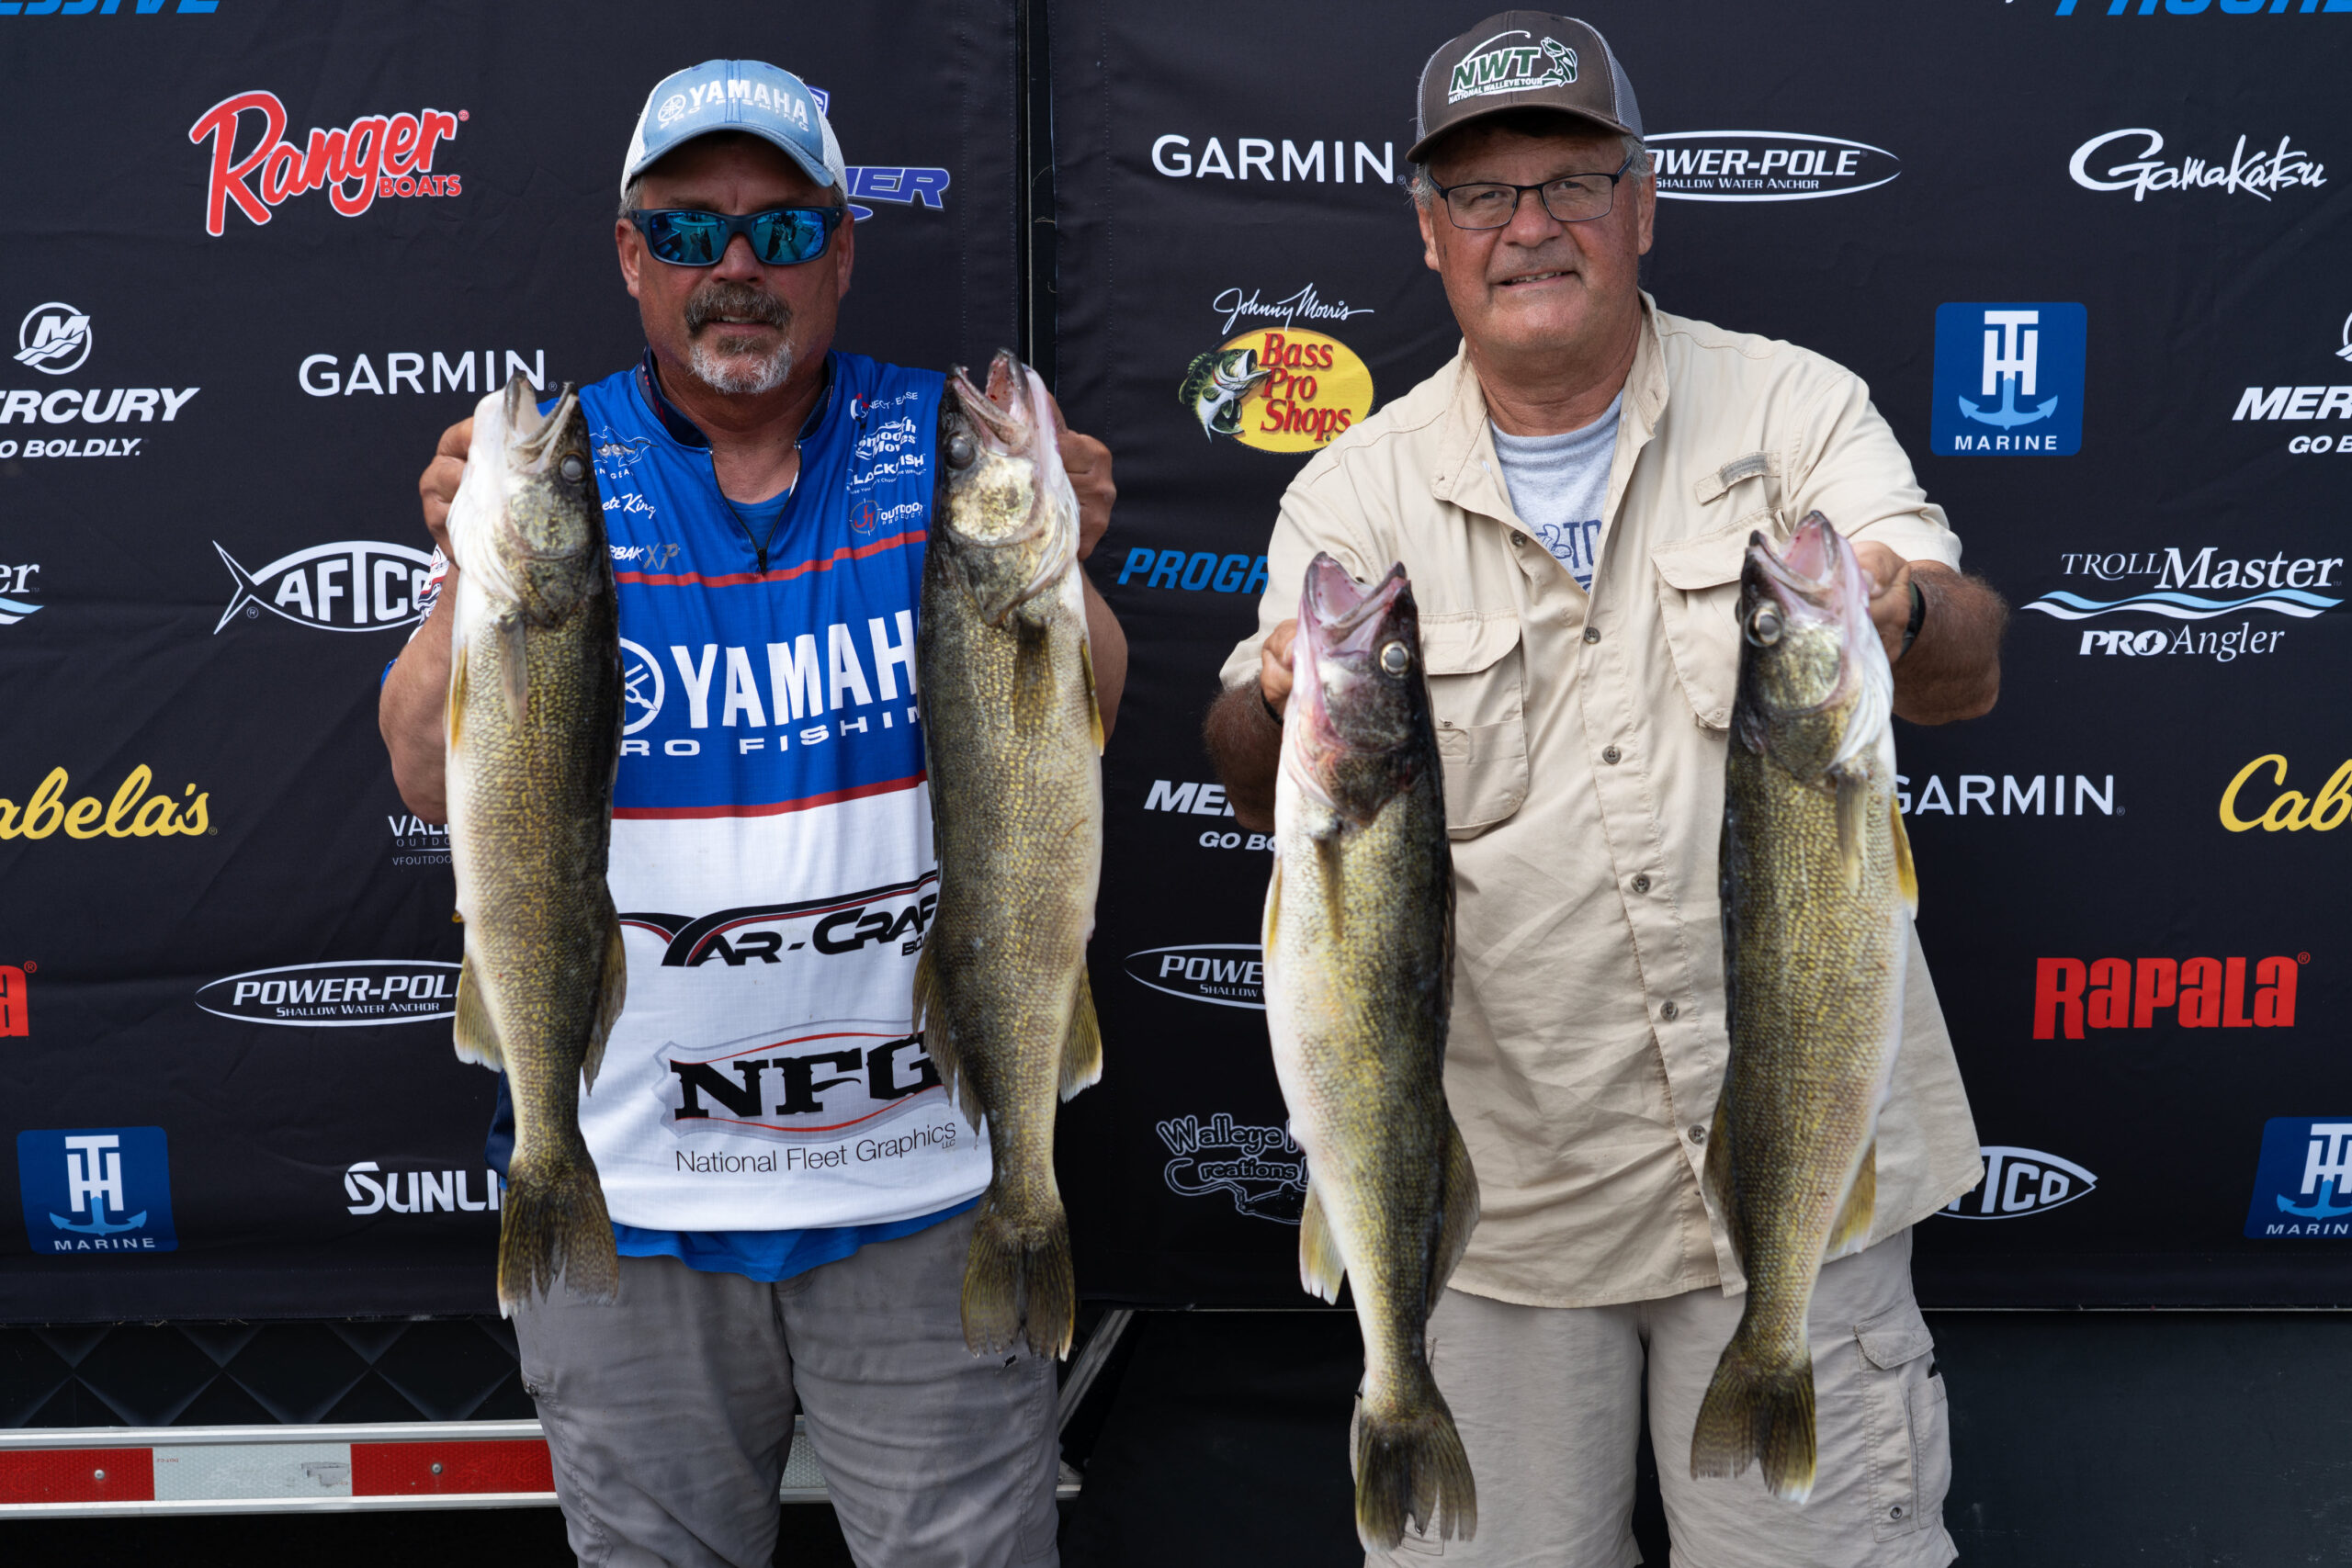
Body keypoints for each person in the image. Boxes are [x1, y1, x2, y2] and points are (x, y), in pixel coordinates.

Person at [1204, 15, 2003, 1567]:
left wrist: (1898, 607)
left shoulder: (1793, 409)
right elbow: (1254, 784)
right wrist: (1275, 701)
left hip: (1801, 1176)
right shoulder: (1352, 491)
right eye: (1482, 195)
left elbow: (1964, 666)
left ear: (1642, 205)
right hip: (1503, 1212)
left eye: (1572, 182)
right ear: (1430, 235)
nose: (1530, 228)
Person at [379, 59, 1123, 1568]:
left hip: (924, 1187)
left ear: (841, 251)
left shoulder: (939, 441)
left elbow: (1082, 716)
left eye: (780, 231)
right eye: (687, 230)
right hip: (629, 1191)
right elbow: (421, 770)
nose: (735, 267)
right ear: (629, 254)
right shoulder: (560, 463)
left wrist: (1067, 561)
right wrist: (473, 571)